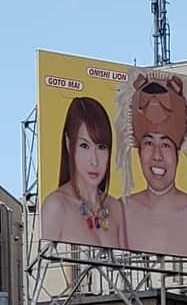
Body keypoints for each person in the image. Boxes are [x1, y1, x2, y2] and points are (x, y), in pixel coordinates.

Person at [119, 73, 187, 259]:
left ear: (178, 151)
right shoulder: (119, 213)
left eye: (165, 145)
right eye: (149, 143)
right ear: (138, 150)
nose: (157, 156)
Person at [41, 96, 126, 248]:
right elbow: (46, 267)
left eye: (101, 147)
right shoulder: (56, 206)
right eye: (84, 146)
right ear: (69, 144)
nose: (94, 161)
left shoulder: (115, 207)